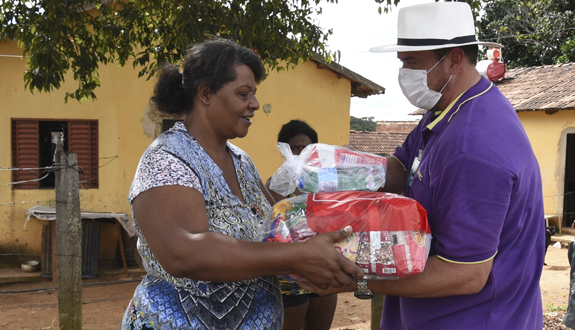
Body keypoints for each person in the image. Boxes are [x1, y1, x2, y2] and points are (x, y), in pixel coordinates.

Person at [299, 2, 545, 329]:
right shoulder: (444, 109)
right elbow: (400, 169)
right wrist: (327, 171)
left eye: (412, 63)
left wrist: (353, 281)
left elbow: (465, 273)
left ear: (454, 59)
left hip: (476, 319)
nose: (404, 73)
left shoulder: (474, 144)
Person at [121, 38, 363, 330]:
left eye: (254, 93)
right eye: (243, 93)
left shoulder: (241, 161)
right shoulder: (167, 158)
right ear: (206, 93)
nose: (255, 104)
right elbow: (182, 253)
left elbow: (277, 232)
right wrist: (295, 257)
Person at [266, 120, 337, 330]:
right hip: (291, 271)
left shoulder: (323, 182)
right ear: (284, 150)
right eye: (294, 148)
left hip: (324, 266)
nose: (300, 152)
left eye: (305, 148)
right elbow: (277, 224)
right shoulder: (275, 184)